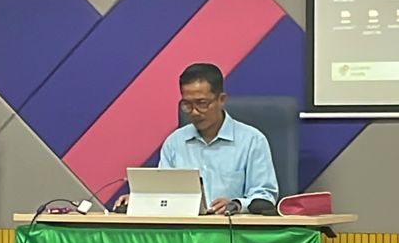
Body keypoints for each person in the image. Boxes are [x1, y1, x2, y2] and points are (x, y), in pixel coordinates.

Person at [116, 63, 278, 214]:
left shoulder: (252, 141)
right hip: (185, 229)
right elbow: (164, 194)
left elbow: (265, 196)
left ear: (221, 100)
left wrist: (236, 205)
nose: (194, 112)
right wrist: (140, 200)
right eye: (187, 104)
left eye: (202, 103)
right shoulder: (175, 143)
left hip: (231, 228)